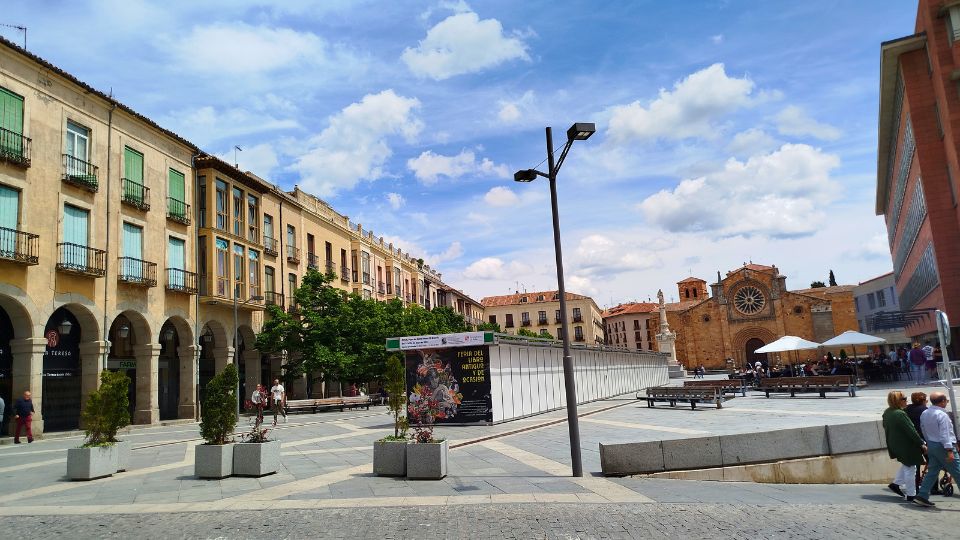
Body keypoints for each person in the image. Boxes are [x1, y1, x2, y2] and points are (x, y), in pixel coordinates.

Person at [913, 392, 960, 507]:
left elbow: (923, 429)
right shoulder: (942, 415)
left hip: (932, 445)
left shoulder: (925, 413)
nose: (947, 403)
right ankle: (922, 495)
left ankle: (922, 495)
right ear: (942, 401)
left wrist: (928, 443)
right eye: (946, 401)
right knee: (958, 471)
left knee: (933, 471)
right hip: (943, 446)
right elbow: (945, 434)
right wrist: (949, 450)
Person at [882, 390, 927, 501]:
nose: (906, 401)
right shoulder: (900, 414)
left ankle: (895, 484)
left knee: (906, 464)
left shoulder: (887, 412)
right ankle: (911, 494)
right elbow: (911, 431)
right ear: (897, 401)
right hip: (906, 445)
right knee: (911, 469)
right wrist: (922, 444)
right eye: (904, 399)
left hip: (895, 444)